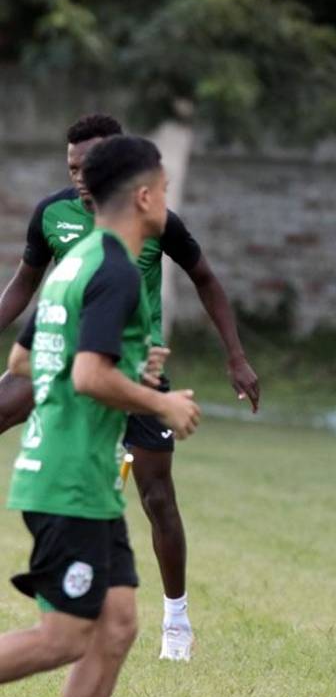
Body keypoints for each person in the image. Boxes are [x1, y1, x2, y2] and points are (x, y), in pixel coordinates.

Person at [0, 113, 259, 661]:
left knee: (157, 496)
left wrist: (235, 356)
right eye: (71, 167)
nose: (79, 176)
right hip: (70, 362)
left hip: (136, 371)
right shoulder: (54, 216)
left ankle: (177, 620)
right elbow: (25, 288)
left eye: (88, 165)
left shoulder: (152, 220)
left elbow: (206, 278)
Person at [0, 134, 201, 697]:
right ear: (143, 196)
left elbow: (29, 363)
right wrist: (160, 400)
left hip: (71, 470)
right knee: (63, 636)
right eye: (165, 190)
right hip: (70, 477)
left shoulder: (76, 260)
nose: (168, 203)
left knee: (116, 625)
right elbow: (86, 375)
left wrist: (130, 371)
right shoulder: (114, 266)